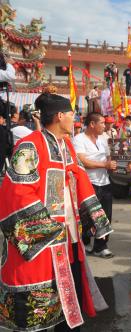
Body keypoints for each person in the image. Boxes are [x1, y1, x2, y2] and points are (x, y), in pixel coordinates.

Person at [0, 92, 112, 331]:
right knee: (40, 302)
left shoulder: (67, 146)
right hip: (43, 241)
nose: (75, 120)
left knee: (71, 298)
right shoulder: (30, 145)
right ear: (60, 116)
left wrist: (96, 219)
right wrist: (48, 229)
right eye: (72, 115)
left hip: (69, 239)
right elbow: (17, 192)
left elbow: (80, 180)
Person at [73, 112, 118, 258]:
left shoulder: (104, 139)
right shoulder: (79, 139)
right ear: (92, 124)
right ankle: (84, 241)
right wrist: (105, 164)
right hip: (87, 184)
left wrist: (117, 162)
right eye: (102, 123)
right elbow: (83, 161)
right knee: (87, 217)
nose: (105, 126)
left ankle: (100, 246)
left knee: (105, 216)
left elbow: (110, 157)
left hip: (104, 182)